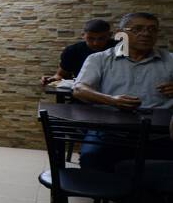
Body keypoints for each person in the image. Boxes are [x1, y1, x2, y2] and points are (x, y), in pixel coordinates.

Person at [72, 12, 173, 169]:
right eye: (137, 29)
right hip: (109, 132)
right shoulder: (99, 59)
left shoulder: (170, 60)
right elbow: (79, 89)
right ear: (122, 33)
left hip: (160, 135)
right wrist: (112, 100)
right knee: (91, 159)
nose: (146, 34)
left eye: (152, 29)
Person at [41, 18, 115, 87]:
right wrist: (53, 79)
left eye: (101, 38)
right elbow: (61, 75)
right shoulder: (72, 51)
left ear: (109, 35)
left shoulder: (120, 48)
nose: (96, 43)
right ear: (83, 35)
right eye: (90, 38)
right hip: (84, 92)